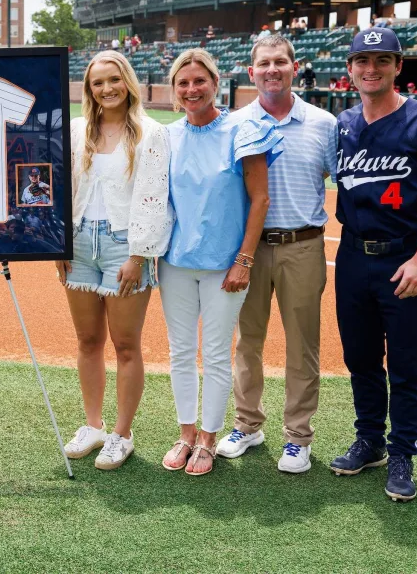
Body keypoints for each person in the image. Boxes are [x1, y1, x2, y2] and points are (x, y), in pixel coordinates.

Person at [330, 28, 417, 502]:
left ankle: (402, 451)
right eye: (362, 61)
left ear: (397, 65)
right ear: (349, 70)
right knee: (361, 358)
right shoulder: (343, 123)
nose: (372, 69)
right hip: (351, 258)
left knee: (407, 365)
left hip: (404, 259)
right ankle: (369, 441)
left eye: (382, 60)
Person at [215, 35, 337, 473]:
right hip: (249, 248)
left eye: (280, 62)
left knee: (302, 344)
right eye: (263, 63)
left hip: (302, 245)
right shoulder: (233, 123)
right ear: (251, 73)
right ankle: (248, 425)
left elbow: (345, 180)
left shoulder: (324, 124)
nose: (272, 69)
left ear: (294, 67)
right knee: (247, 341)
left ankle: (298, 437)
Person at [159, 48, 283, 476]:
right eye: (183, 83)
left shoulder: (241, 128)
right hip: (174, 261)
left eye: (199, 81)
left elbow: (260, 198)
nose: (192, 89)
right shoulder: (168, 135)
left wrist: (244, 260)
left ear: (215, 82)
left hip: (226, 264)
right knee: (180, 352)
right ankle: (186, 434)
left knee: (214, 353)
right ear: (174, 90)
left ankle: (208, 440)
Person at [56, 50, 173, 471]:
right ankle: (93, 426)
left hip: (126, 245)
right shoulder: (74, 131)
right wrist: (60, 245)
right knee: (88, 341)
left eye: (113, 80)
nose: (106, 89)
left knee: (125, 345)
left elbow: (153, 197)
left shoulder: (150, 133)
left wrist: (139, 256)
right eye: (97, 83)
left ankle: (122, 434)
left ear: (127, 82)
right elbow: (61, 189)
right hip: (80, 244)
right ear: (89, 90)